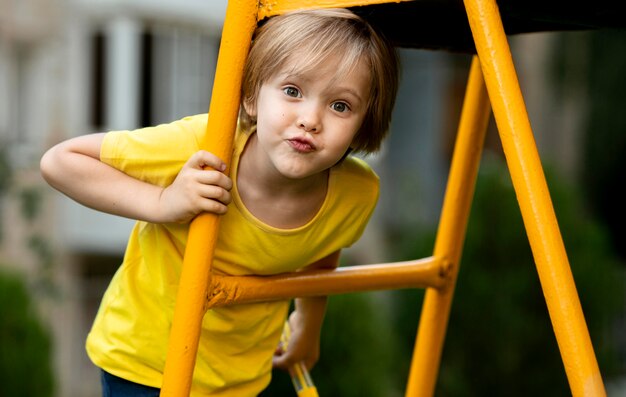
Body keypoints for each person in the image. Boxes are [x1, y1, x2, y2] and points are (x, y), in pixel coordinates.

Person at [41, 8, 399, 397]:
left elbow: (322, 249)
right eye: (292, 91)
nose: (310, 119)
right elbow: (61, 161)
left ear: (365, 123)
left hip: (242, 378)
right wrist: (164, 201)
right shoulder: (205, 146)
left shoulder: (356, 194)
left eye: (340, 105)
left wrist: (308, 329)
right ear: (250, 96)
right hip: (148, 364)